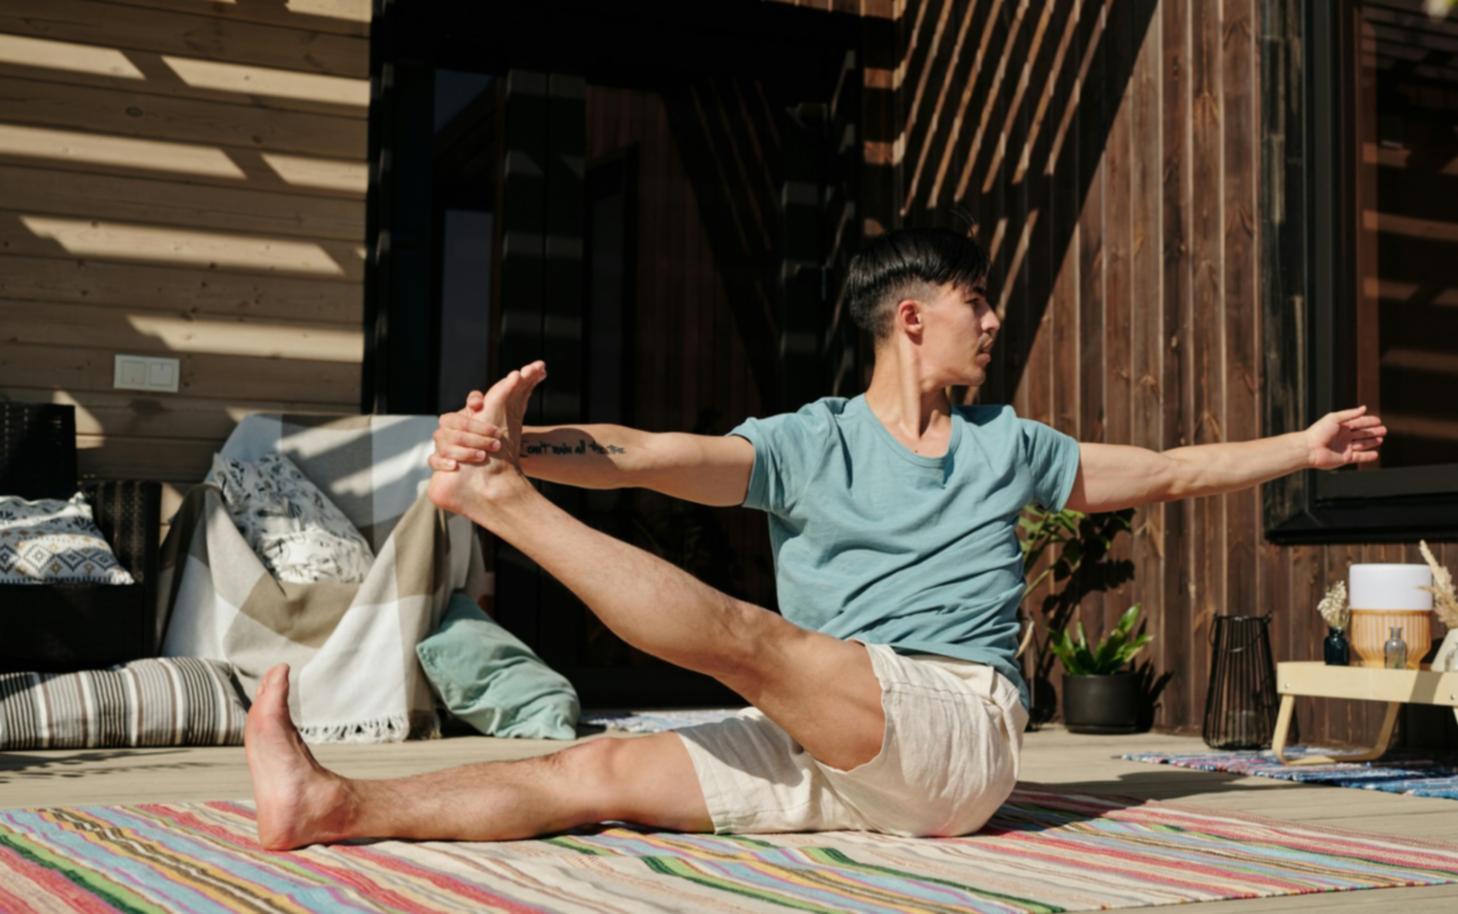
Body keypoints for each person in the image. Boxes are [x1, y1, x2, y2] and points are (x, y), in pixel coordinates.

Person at [243, 228, 1385, 851]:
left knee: (754, 639)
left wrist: (1304, 445)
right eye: (975, 300)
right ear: (910, 315)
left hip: (953, 732)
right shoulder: (809, 441)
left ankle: (501, 508)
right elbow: (647, 451)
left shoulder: (1013, 444)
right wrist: (526, 440)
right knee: (591, 767)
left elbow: (1176, 469)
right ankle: (334, 807)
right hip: (828, 737)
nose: (992, 321)